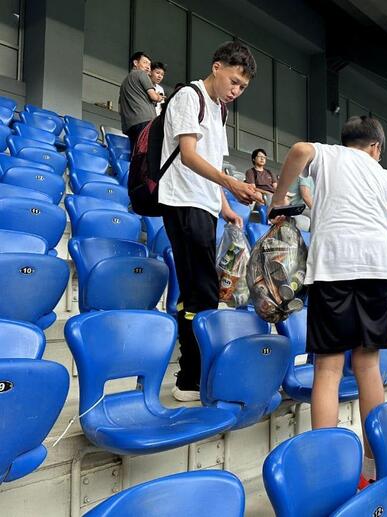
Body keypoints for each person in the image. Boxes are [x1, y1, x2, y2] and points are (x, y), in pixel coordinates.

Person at [268, 116, 387, 489]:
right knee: (368, 367)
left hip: (334, 266)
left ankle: (327, 475)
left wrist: (278, 200)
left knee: (327, 368)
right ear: (376, 147)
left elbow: (299, 150)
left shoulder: (328, 154)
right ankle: (373, 469)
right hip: (378, 268)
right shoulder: (382, 176)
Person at [159, 41, 263, 401]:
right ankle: (189, 377)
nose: (236, 91)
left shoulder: (220, 110)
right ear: (216, 67)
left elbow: (213, 165)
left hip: (204, 205)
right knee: (200, 291)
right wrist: (232, 185)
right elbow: (188, 156)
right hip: (182, 202)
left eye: (243, 87)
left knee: (199, 290)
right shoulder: (189, 97)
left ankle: (195, 372)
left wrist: (225, 206)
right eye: (233, 81)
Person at [118, 51, 160, 145]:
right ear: (135, 63)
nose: (148, 67)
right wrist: (159, 97)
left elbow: (120, 110)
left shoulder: (124, 83)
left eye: (149, 65)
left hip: (129, 125)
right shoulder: (141, 74)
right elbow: (153, 96)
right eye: (145, 63)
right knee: (146, 151)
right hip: (145, 121)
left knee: (135, 152)